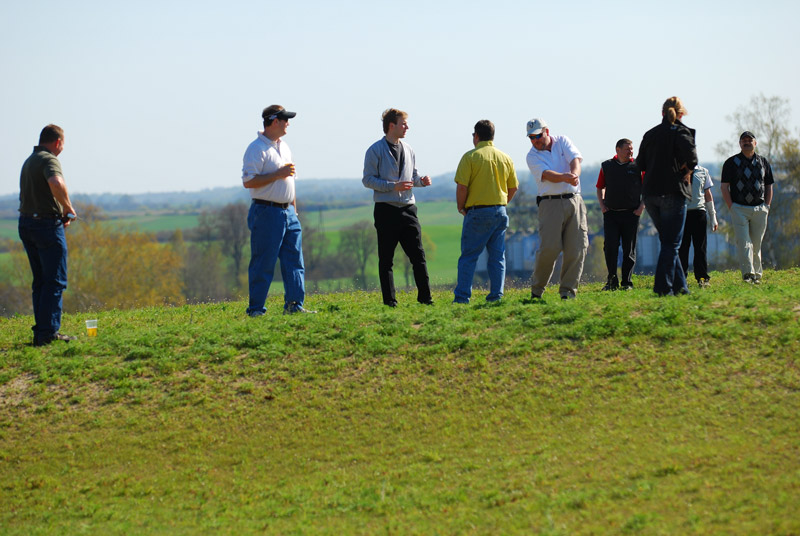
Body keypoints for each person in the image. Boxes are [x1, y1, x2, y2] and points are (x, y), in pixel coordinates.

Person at [241, 104, 314, 316]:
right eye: (285, 120)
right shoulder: (256, 149)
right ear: (275, 122)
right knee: (264, 262)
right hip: (267, 212)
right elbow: (249, 182)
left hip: (289, 213)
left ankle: (294, 306)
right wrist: (277, 174)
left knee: (294, 261)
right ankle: (256, 310)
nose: (288, 124)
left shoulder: (285, 147)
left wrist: (294, 210)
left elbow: (290, 181)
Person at [362, 108, 433, 307]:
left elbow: (412, 177)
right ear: (391, 126)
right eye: (403, 124)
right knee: (386, 260)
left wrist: (422, 181)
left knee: (418, 256)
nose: (407, 127)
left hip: (408, 209)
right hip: (386, 210)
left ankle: (426, 299)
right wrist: (393, 186)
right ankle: (390, 301)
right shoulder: (374, 150)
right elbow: (367, 180)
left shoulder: (409, 149)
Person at [18, 124, 78, 346]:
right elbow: (56, 182)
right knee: (55, 281)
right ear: (58, 142)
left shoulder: (30, 160)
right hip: (45, 225)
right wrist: (68, 208)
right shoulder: (49, 159)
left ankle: (41, 331)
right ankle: (48, 333)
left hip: (26, 223)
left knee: (41, 281)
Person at [635, 96, 698, 296]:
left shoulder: (650, 134)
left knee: (668, 242)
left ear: (662, 113)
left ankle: (681, 287)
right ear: (681, 114)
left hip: (651, 194)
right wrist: (684, 171)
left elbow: (640, 165)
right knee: (672, 243)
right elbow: (693, 159)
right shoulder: (681, 132)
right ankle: (663, 288)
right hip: (673, 192)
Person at [453, 120, 519, 304]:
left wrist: (461, 207)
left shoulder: (470, 157)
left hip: (477, 212)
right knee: (498, 256)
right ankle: (496, 296)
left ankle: (462, 297)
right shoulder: (505, 158)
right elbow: (513, 188)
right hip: (500, 211)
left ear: (476, 136)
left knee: (469, 256)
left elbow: (462, 187)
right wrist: (501, 202)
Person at [526, 118, 588, 300]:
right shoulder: (532, 156)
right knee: (549, 248)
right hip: (550, 204)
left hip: (574, 200)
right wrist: (565, 177)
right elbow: (546, 175)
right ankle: (537, 290)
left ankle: (567, 293)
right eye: (531, 137)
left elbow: (575, 160)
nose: (535, 140)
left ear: (546, 131)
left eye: (537, 135)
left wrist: (574, 175)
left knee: (576, 248)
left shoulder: (562, 141)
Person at [720, 131, 774, 284]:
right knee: (744, 242)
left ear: (755, 143)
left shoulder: (763, 162)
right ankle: (748, 275)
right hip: (739, 209)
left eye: (750, 140)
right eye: (743, 140)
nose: (746, 142)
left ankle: (757, 275)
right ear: (740, 144)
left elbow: (769, 186)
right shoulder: (731, 163)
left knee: (756, 244)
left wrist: (767, 206)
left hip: (760, 209)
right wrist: (732, 207)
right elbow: (724, 187)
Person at [596, 138, 644, 291]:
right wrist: (602, 205)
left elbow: (648, 188)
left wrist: (641, 207)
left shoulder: (638, 166)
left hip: (631, 214)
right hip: (611, 214)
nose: (631, 151)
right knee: (610, 247)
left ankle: (626, 282)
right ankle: (611, 280)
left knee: (629, 249)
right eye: (627, 149)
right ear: (617, 150)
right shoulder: (607, 166)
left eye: (631, 149)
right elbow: (600, 187)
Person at [679, 164, 719, 287]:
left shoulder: (703, 171)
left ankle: (702, 277)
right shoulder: (676, 171)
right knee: (682, 248)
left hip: (699, 213)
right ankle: (680, 279)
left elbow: (707, 193)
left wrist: (713, 217)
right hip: (682, 213)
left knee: (700, 248)